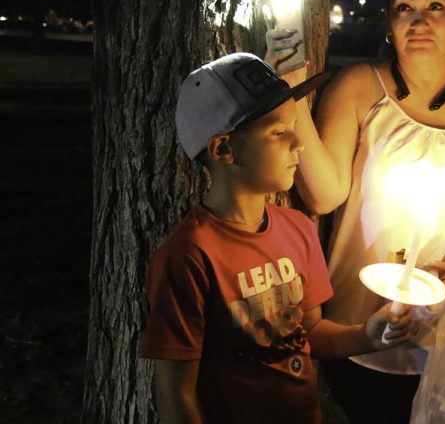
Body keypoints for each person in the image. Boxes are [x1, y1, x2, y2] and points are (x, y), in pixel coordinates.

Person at [264, 0, 445, 423]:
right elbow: (323, 194)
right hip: (361, 330)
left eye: (437, 6)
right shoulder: (361, 87)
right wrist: (291, 91)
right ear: (389, 20)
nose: (419, 20)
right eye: (404, 8)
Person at [139, 53, 414, 424]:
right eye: (279, 131)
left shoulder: (298, 229)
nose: (298, 143)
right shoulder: (190, 256)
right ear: (224, 149)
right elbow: (176, 393)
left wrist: (366, 335)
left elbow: (311, 332)